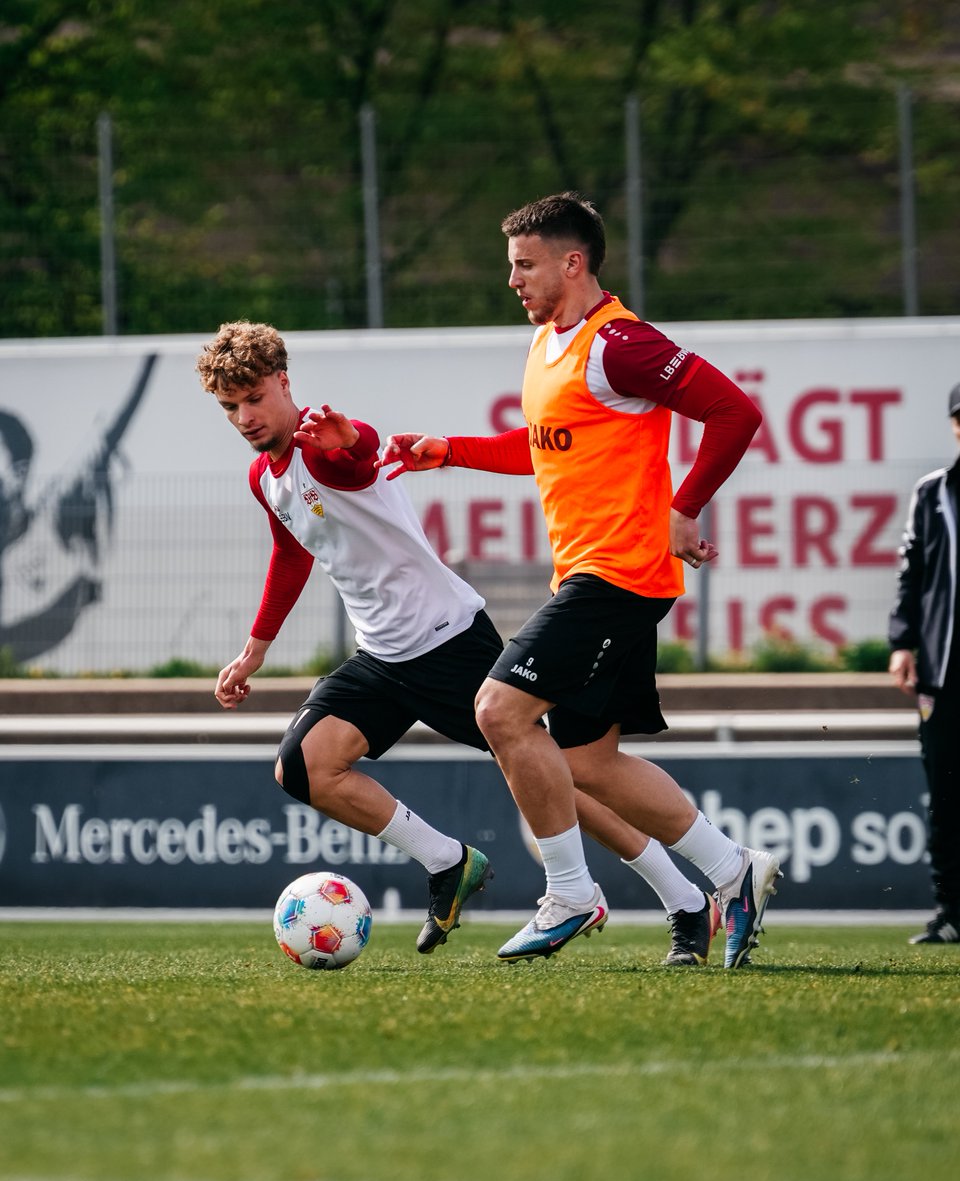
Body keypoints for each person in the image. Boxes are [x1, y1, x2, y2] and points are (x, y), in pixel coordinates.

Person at [198, 320, 722, 965]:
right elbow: (291, 551)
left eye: (254, 397)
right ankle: (448, 861)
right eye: (230, 407)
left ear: (283, 381)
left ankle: (685, 900)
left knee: (561, 781)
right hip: (382, 656)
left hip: (447, 641)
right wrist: (255, 649)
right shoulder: (264, 476)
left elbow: (357, 455)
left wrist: (351, 437)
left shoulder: (328, 442)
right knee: (303, 768)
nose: (245, 415)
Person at [379, 191, 782, 968]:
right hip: (598, 574)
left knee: (498, 709)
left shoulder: (620, 343)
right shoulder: (547, 344)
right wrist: (450, 450)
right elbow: (544, 444)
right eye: (512, 266)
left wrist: (684, 505)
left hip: (618, 573)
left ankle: (569, 893)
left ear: (573, 263)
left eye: (525, 266)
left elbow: (736, 413)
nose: (513, 281)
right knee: (589, 762)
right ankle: (736, 873)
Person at [888, 383, 960, 945]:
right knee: (946, 794)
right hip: (944, 668)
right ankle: (952, 909)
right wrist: (903, 641)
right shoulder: (933, 493)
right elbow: (911, 573)